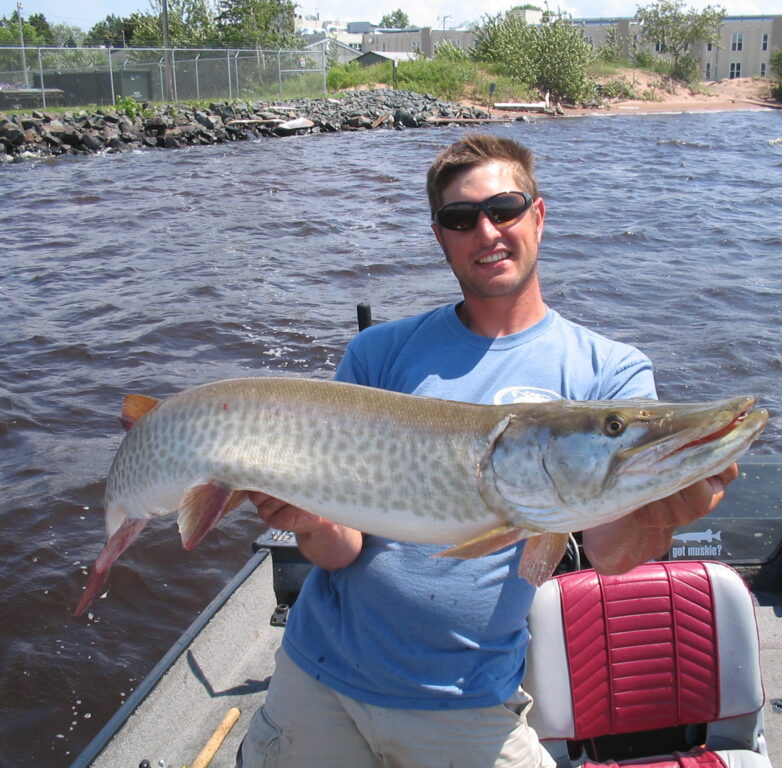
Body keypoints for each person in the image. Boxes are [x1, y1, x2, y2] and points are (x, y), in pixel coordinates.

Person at [237, 133, 738, 768]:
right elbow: (341, 550)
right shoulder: (380, 354)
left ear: (538, 215)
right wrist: (306, 519)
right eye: (460, 218)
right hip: (319, 680)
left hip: (468, 701)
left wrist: (663, 506)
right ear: (441, 236)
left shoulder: (608, 373)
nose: (487, 230)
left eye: (504, 208)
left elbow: (612, 553)